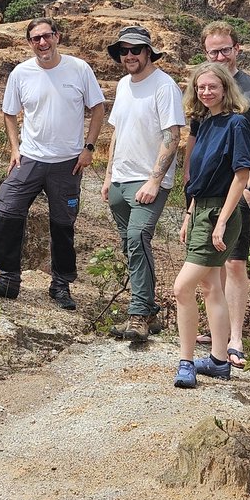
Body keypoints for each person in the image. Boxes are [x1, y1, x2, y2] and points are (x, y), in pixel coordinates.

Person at [0, 18, 105, 309]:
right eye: (35, 38)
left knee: (63, 224)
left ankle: (61, 284)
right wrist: (15, 148)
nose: (42, 43)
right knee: (8, 207)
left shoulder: (78, 69)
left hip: (67, 162)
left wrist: (88, 148)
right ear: (29, 42)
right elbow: (9, 113)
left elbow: (98, 108)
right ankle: (9, 278)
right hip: (31, 158)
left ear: (57, 37)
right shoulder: (21, 73)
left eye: (46, 36)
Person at [189, 21, 250, 369]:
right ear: (206, 53)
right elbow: (194, 140)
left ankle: (235, 337)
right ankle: (218, 333)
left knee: (235, 263)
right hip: (206, 192)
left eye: (226, 49)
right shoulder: (206, 86)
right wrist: (189, 188)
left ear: (238, 48)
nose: (220, 56)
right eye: (214, 51)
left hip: (237, 192)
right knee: (212, 264)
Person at [101, 25, 184, 343]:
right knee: (130, 245)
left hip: (148, 181)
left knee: (137, 238)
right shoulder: (123, 85)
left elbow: (173, 136)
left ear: (149, 52)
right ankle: (149, 309)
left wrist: (154, 180)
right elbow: (118, 133)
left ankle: (137, 317)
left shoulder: (164, 86)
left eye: (136, 49)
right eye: (124, 50)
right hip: (121, 179)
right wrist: (109, 176)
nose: (130, 55)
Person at [173, 62, 250, 388]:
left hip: (220, 214)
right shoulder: (205, 124)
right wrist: (189, 215)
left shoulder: (236, 124)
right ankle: (219, 361)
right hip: (201, 211)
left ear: (225, 89)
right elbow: (202, 180)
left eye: (212, 87)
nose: (206, 92)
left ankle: (186, 361)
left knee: (181, 288)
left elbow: (241, 177)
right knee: (210, 288)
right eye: (201, 87)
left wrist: (220, 222)